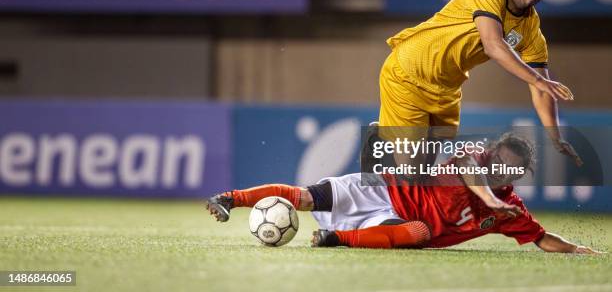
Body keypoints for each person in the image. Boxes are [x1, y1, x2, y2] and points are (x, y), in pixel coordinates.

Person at [377, 0, 583, 214]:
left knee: (424, 170)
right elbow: (493, 45)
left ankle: (407, 210)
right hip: (408, 73)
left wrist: (555, 135)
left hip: (446, 89)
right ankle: (387, 211)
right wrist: (538, 79)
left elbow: (541, 90)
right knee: (410, 169)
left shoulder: (531, 30)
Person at [204, 133, 599, 254]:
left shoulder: (511, 209)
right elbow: (466, 170)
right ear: (491, 154)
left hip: (395, 221)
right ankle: (230, 198)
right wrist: (491, 198)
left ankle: (334, 239)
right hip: (383, 188)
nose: (497, 167)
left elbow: (541, 237)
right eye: (496, 159)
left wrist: (580, 250)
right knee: (306, 198)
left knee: (418, 236)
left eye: (506, 167)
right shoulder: (469, 158)